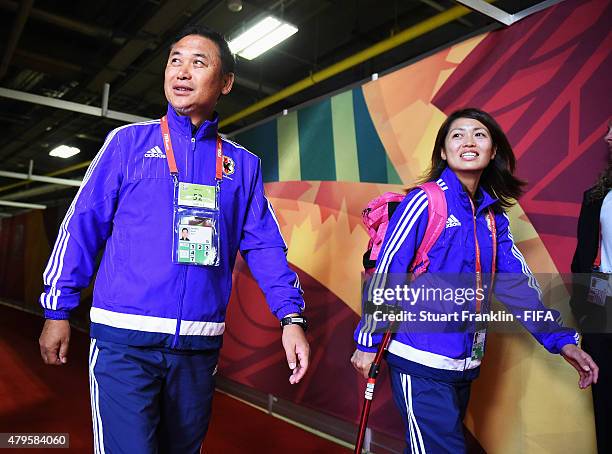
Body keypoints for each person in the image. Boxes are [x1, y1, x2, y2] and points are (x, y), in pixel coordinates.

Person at [38, 25, 309, 453]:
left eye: (198, 63)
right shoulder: (127, 144)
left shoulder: (242, 165)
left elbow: (265, 247)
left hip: (198, 349)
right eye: (175, 60)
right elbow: (82, 226)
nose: (181, 71)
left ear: (225, 82)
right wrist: (57, 309)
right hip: (124, 341)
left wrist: (290, 318)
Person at [351, 108, 599, 453]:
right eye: (457, 135)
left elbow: (517, 289)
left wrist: (561, 340)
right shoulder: (424, 201)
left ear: (493, 150)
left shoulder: (494, 218)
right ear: (443, 151)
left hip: (465, 364)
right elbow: (389, 273)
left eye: (479, 134)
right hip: (419, 360)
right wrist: (366, 342)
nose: (468, 141)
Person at [569, 119, 612, 454]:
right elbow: (581, 260)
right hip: (603, 302)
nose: (607, 136)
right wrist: (584, 312)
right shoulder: (596, 197)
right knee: (606, 402)